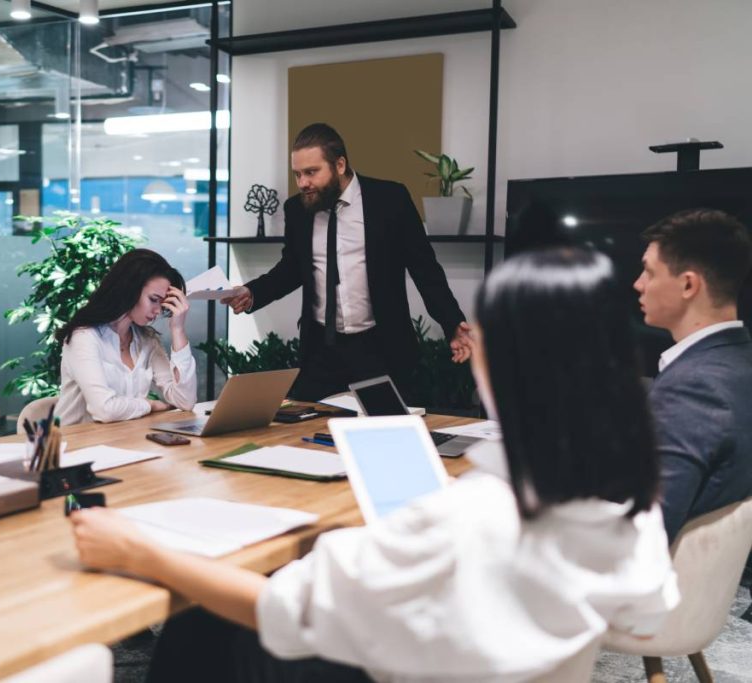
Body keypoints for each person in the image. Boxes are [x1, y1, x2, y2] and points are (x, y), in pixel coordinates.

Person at [71, 247, 679, 682]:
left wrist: (139, 553)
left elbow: (288, 611)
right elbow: (648, 613)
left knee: (203, 620)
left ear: (507, 365)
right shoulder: (628, 501)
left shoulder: (463, 523)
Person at [221, 123, 472, 403]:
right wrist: (253, 292)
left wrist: (452, 323)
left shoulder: (391, 200)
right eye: (297, 174)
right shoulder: (298, 209)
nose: (303, 183)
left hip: (379, 347)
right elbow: (292, 268)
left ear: (340, 165)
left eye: (311, 172)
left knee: (386, 432)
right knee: (307, 435)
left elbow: (426, 271)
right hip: (321, 349)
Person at [633, 208, 752, 543]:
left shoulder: (693, 388)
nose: (638, 284)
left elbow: (641, 538)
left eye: (648, 272)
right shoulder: (739, 364)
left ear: (688, 284)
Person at [53, 248, 197, 425]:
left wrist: (178, 330)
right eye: (153, 299)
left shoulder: (147, 340)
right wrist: (148, 405)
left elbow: (185, 401)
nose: (158, 311)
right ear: (129, 289)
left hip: (123, 441)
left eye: (162, 303)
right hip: (74, 446)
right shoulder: (84, 337)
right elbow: (104, 410)